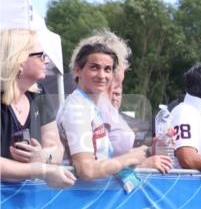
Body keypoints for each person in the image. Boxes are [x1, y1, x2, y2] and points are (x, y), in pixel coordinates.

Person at [57, 41, 170, 181]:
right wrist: (129, 158)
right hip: (82, 197)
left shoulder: (89, 105)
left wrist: (146, 152)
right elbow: (86, 170)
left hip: (97, 196)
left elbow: (103, 160)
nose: (102, 75)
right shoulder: (77, 108)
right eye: (94, 67)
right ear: (77, 70)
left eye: (107, 69)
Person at [0, 28, 75, 188]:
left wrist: (43, 155)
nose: (46, 61)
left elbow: (56, 148)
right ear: (19, 62)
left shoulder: (39, 94)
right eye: (41, 56)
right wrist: (41, 170)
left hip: (25, 200)